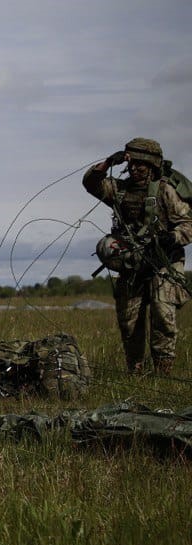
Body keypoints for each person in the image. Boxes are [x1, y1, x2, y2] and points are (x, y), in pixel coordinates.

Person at [83, 137, 192, 374]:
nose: (134, 169)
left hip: (165, 261)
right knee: (129, 320)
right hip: (132, 264)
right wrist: (108, 163)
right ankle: (136, 371)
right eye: (131, 164)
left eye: (140, 165)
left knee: (163, 315)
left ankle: (163, 372)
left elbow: (187, 225)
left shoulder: (166, 190)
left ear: (152, 166)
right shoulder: (119, 190)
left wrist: (170, 238)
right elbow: (91, 183)